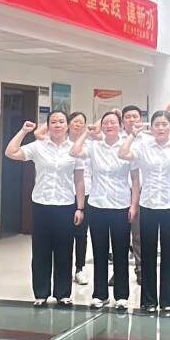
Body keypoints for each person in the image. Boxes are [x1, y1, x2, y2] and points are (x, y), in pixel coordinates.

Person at [6, 110, 85, 307]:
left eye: (61, 122)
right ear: (47, 126)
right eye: (53, 122)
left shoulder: (75, 150)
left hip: (66, 205)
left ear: (67, 126)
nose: (57, 125)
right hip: (41, 204)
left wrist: (80, 207)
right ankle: (41, 293)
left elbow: (79, 180)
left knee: (64, 251)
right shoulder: (37, 147)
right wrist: (24, 131)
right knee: (40, 251)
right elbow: (11, 152)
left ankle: (63, 293)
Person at [70, 111, 138, 310]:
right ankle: (100, 294)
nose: (109, 126)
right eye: (105, 122)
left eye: (113, 122)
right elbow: (74, 151)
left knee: (120, 252)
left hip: (121, 205)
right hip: (97, 204)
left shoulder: (127, 146)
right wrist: (87, 133)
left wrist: (134, 205)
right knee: (99, 251)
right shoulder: (94, 146)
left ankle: (122, 296)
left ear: (120, 125)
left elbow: (135, 179)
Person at [119, 110, 170, 312]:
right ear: (151, 128)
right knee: (148, 253)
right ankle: (148, 300)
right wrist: (133, 134)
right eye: (156, 125)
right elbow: (122, 153)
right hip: (148, 204)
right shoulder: (143, 146)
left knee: (169, 254)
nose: (160, 128)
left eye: (164, 124)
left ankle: (168, 300)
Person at [66, 111, 92, 286]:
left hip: (86, 192)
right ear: (68, 123)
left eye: (81, 122)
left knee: (81, 233)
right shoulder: (62, 142)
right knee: (65, 233)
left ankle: (79, 268)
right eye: (74, 121)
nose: (78, 125)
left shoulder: (89, 145)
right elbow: (39, 133)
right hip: (65, 193)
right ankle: (64, 268)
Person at [120, 105, 145, 283]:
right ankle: (119, 272)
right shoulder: (116, 139)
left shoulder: (148, 140)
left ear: (141, 120)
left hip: (142, 192)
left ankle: (140, 269)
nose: (132, 120)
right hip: (119, 193)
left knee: (138, 235)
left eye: (135, 116)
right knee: (119, 235)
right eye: (128, 117)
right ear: (122, 121)